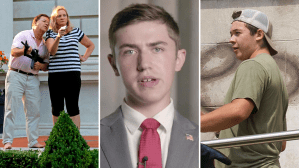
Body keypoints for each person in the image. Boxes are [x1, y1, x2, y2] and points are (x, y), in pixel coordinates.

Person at [101, 4, 199, 168]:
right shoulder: (99, 135)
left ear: (178, 59)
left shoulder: (200, 140)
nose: (144, 64)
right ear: (114, 65)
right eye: (130, 51)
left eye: (157, 49)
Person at [201, 9, 288, 168]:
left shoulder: (253, 65)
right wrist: (223, 129)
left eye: (237, 33)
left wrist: (195, 124)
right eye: (231, 33)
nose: (231, 39)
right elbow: (281, 144)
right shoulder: (274, 71)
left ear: (259, 35)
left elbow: (238, 111)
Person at [3, 14, 50, 150]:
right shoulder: (23, 35)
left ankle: (33, 141)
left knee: (33, 111)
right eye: (43, 21)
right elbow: (13, 52)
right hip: (16, 74)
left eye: (48, 22)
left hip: (33, 78)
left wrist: (41, 66)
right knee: (11, 109)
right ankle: (7, 141)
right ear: (34, 23)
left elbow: (46, 64)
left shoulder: (45, 45)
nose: (46, 24)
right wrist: (25, 50)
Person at [45, 6, 95, 129]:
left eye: (64, 15)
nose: (62, 17)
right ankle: (58, 137)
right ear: (54, 19)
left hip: (73, 73)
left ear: (67, 17)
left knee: (73, 106)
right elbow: (52, 51)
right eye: (59, 16)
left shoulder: (76, 31)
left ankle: (76, 138)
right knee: (57, 107)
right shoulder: (50, 34)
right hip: (56, 74)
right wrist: (58, 37)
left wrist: (84, 57)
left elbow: (90, 45)